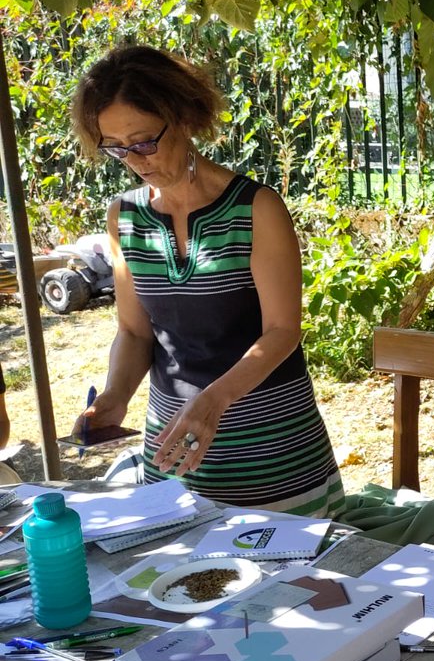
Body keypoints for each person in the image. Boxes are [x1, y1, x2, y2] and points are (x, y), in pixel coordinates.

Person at [69, 46, 344, 517]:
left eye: (143, 142)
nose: (133, 159)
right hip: (171, 453)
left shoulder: (256, 208)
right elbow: (135, 331)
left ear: (184, 118)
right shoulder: (125, 217)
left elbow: (282, 331)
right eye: (115, 146)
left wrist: (212, 403)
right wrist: (115, 398)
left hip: (270, 454)